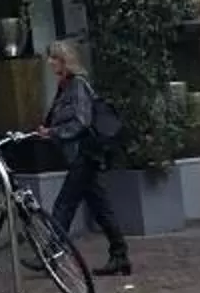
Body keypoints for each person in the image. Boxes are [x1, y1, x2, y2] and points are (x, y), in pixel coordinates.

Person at [38, 40, 131, 277]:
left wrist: (54, 132)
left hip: (84, 154)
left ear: (64, 61)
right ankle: (120, 254)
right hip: (81, 155)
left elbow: (81, 121)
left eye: (54, 58)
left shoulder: (76, 85)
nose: (49, 62)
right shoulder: (65, 86)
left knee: (64, 204)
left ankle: (52, 254)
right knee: (100, 206)